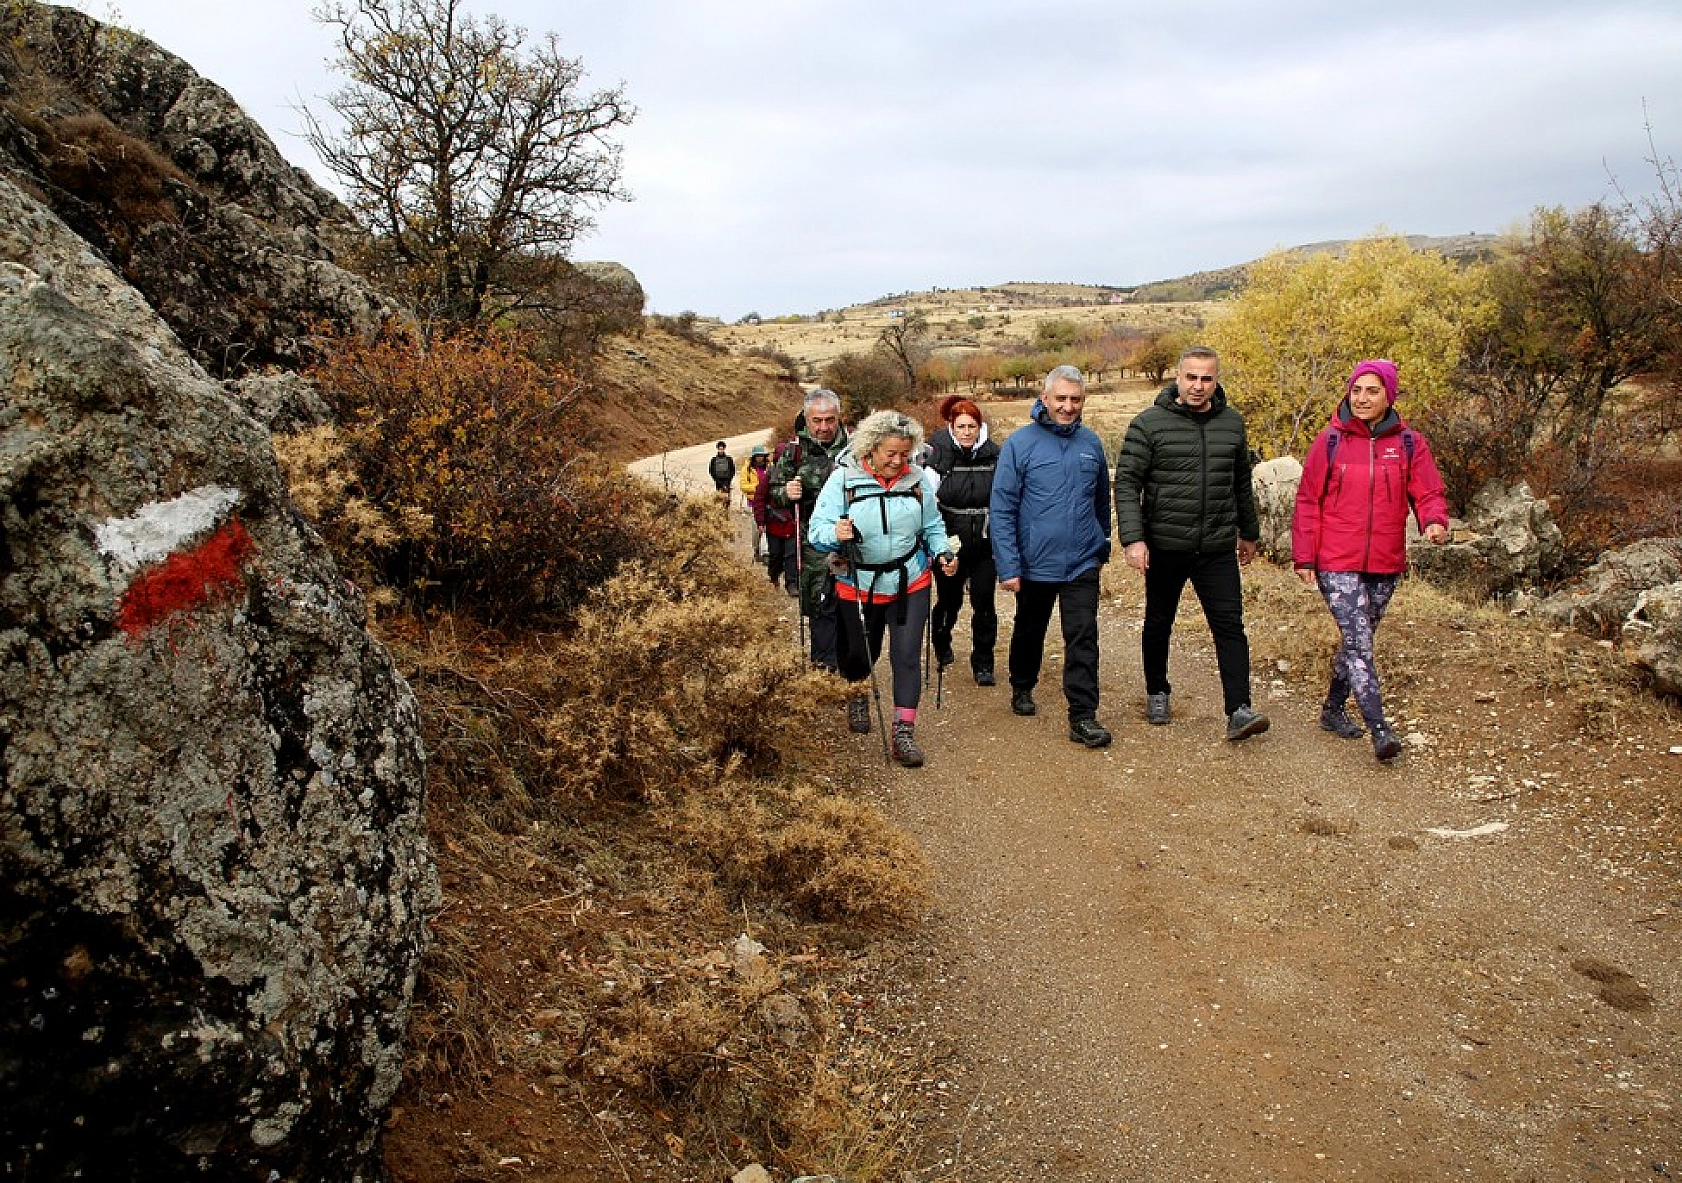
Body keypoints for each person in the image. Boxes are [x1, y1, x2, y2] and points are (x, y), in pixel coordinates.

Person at [1291, 359, 1450, 762]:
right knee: (1360, 643)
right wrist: (1305, 557)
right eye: (1356, 390)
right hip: (1336, 560)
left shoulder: (1410, 443)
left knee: (1358, 640)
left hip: (1384, 561)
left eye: (1372, 391)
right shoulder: (1330, 440)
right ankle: (1380, 729)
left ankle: (1331, 710)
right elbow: (1308, 500)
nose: (1361, 398)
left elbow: (1428, 491)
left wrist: (1433, 521)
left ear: (1388, 396)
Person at [1115, 346, 1269, 742]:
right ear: (1178, 378)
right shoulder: (1149, 424)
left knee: (1230, 626)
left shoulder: (1232, 424)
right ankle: (1157, 691)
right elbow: (1128, 483)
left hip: (1216, 547)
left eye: (1207, 379)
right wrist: (1134, 539)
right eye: (1191, 378)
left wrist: (1248, 533)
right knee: (1159, 622)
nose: (1198, 386)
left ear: (1216, 381)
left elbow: (1240, 484)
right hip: (1166, 544)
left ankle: (1239, 709)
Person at [807, 409, 957, 767]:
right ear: (871, 448)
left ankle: (903, 732)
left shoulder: (918, 480)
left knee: (906, 655)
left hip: (910, 579)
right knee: (860, 654)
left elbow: (933, 525)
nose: (898, 461)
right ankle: (857, 691)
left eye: (905, 453)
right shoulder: (843, 481)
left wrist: (942, 552)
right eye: (891, 453)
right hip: (856, 582)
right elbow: (816, 530)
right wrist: (835, 533)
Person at [990, 365, 1114, 748]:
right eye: (1060, 398)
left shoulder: (1091, 444)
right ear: (1044, 398)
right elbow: (1003, 507)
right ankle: (1022, 685)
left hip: (1081, 561)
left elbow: (1099, 500)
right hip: (1034, 563)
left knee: (1083, 636)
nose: (1067, 406)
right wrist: (1009, 564)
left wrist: (1101, 543)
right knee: (1031, 629)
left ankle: (1083, 716)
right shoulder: (1019, 444)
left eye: (1075, 399)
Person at [767, 390, 851, 671]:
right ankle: (823, 672)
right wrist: (786, 492)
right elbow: (772, 492)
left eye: (830, 420)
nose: (824, 427)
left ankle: (852, 673)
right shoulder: (793, 452)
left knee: (851, 609)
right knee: (819, 605)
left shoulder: (856, 449)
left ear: (840, 417)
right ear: (806, 418)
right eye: (817, 420)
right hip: (811, 545)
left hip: (852, 542)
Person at [927, 395, 1001, 685]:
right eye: (961, 427)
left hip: (984, 543)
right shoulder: (939, 459)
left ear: (979, 427)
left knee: (984, 603)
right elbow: (927, 505)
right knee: (950, 601)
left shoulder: (996, 456)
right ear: (951, 427)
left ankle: (983, 662)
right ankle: (941, 641)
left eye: (972, 426)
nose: (967, 432)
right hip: (951, 542)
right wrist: (937, 545)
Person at [740, 444, 770, 561]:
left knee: (767, 528)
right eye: (757, 456)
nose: (760, 458)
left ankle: (766, 552)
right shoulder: (746, 469)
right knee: (756, 529)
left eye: (761, 456)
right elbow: (744, 486)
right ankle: (756, 549)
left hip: (768, 502)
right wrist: (759, 488)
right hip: (754, 503)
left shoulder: (770, 467)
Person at [708, 441, 736, 507]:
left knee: (727, 500)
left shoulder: (729, 459)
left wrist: (728, 480)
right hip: (718, 482)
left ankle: (726, 512)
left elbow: (732, 470)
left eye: (722, 449)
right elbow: (711, 471)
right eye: (719, 449)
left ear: (724, 449)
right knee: (719, 499)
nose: (721, 450)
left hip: (727, 481)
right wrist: (717, 480)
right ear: (717, 449)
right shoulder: (713, 460)